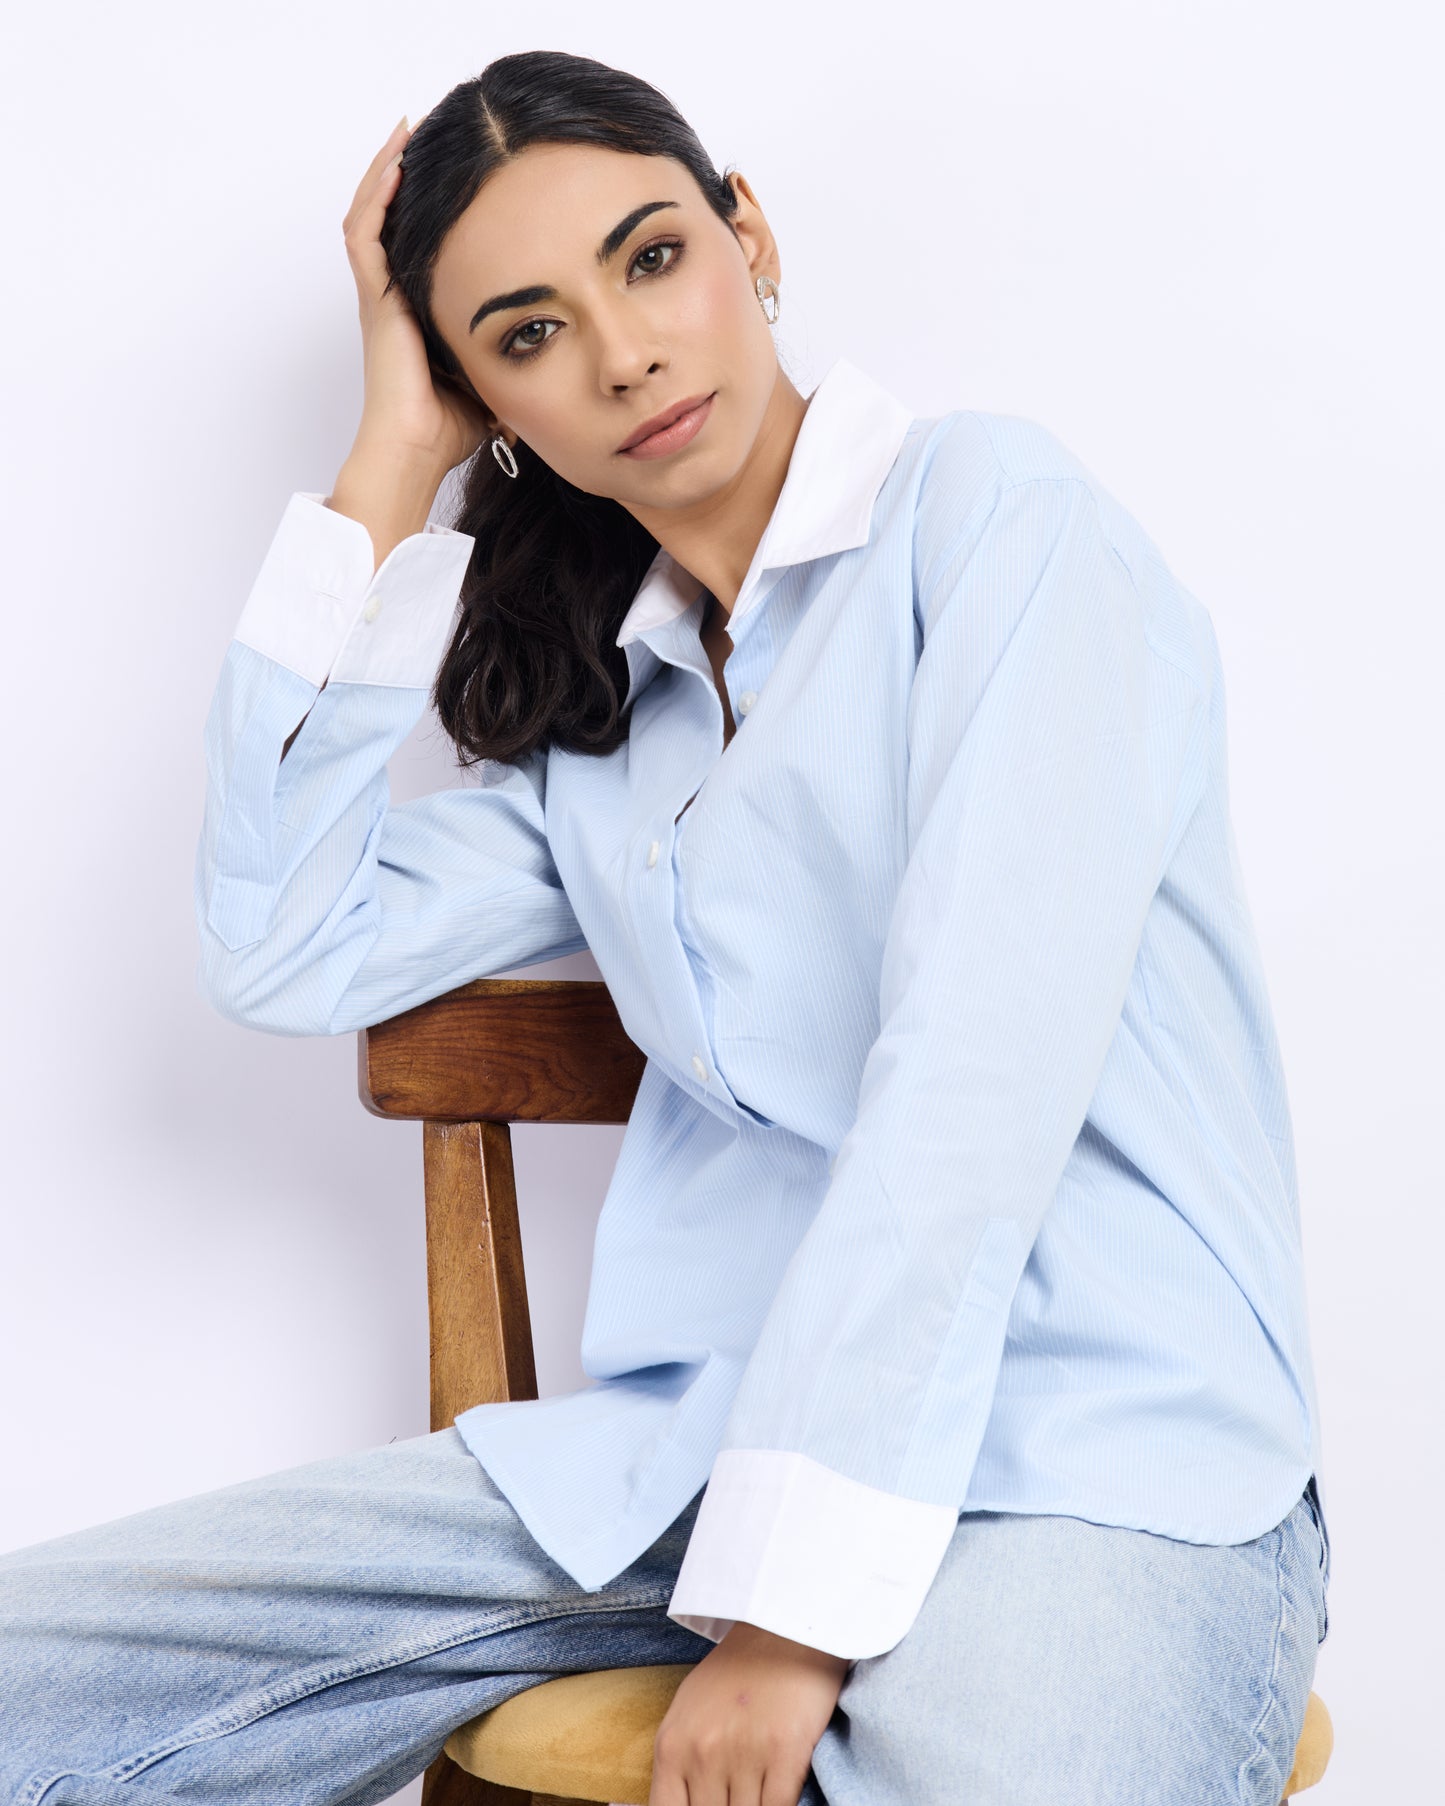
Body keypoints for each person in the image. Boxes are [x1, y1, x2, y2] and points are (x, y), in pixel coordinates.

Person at [0, 47, 1331, 1806]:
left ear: (746, 235)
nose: (623, 353)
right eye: (524, 334)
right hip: (691, 1463)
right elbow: (281, 941)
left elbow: (973, 1080)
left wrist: (788, 1622)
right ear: (494, 404)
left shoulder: (999, 524)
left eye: (647, 259)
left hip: (1099, 1453)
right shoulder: (609, 732)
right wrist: (393, 444)